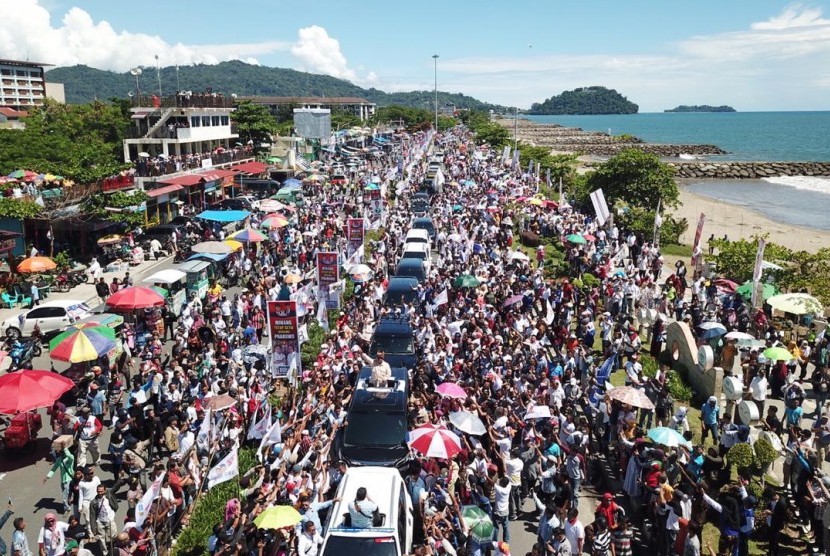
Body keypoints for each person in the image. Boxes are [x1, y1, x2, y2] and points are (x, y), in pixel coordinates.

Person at [44, 447, 75, 514]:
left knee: (65, 496)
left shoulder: (70, 458)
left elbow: (70, 456)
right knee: (66, 494)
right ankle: (68, 504)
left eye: (61, 452)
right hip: (63, 481)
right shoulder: (59, 459)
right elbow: (54, 469)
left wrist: (64, 448)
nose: (59, 453)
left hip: (69, 480)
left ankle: (67, 509)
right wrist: (47, 476)